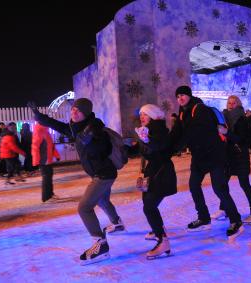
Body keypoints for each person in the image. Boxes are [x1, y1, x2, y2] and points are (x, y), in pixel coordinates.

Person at [28, 98, 124, 265]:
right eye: (73, 109)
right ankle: (117, 223)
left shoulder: (95, 127)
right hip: (99, 174)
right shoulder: (76, 129)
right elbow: (56, 125)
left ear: (85, 114)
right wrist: (38, 116)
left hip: (104, 174)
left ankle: (100, 245)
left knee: (84, 208)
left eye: (78, 111)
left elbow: (105, 149)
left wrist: (90, 142)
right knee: (102, 200)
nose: (74, 112)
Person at [170, 85, 244, 240]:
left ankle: (236, 220)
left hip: (214, 154)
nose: (180, 98)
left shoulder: (200, 109)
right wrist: (167, 147)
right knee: (194, 185)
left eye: (183, 95)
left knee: (219, 189)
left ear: (189, 95)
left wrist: (178, 145)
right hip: (199, 156)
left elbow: (193, 131)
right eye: (178, 96)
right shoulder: (183, 113)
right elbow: (177, 133)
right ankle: (204, 218)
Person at [210, 95, 251, 224]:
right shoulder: (223, 117)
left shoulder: (241, 119)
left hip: (239, 155)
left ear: (238, 104)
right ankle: (224, 209)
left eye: (233, 103)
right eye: (229, 103)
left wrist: (227, 132)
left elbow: (241, 139)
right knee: (223, 183)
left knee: (244, 184)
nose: (230, 105)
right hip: (227, 155)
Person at [135, 104, 177, 259]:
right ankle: (158, 229)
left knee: (149, 206)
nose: (142, 117)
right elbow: (144, 151)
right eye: (141, 115)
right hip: (152, 172)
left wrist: (146, 140)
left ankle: (162, 240)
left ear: (153, 116)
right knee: (148, 203)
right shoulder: (147, 131)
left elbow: (159, 146)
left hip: (162, 173)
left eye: (145, 114)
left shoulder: (159, 130)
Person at [32, 123, 61, 203]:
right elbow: (35, 147)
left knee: (49, 177)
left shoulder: (46, 132)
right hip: (43, 160)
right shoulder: (38, 132)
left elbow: (52, 146)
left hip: (48, 160)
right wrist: (36, 161)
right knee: (46, 178)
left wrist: (56, 155)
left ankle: (50, 194)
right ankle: (46, 197)